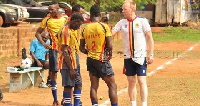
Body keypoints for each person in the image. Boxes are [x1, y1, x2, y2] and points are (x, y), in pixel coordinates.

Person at [112, 0, 154, 106]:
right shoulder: (122, 22)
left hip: (140, 56)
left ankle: (144, 104)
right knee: (131, 82)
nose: (123, 11)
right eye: (122, 9)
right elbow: (111, 32)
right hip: (128, 57)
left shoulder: (142, 21)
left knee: (141, 81)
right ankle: (133, 104)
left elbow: (150, 38)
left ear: (132, 9)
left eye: (124, 9)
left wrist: (151, 54)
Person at [80, 4, 118, 106]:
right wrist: (109, 54)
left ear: (91, 14)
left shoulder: (85, 28)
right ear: (99, 14)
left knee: (94, 86)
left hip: (90, 60)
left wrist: (89, 52)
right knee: (112, 85)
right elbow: (109, 45)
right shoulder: (104, 26)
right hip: (101, 58)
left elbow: (81, 48)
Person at [35, 2, 68, 106]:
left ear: (58, 9)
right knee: (53, 74)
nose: (50, 11)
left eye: (52, 10)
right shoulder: (47, 20)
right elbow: (37, 33)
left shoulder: (65, 19)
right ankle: (55, 99)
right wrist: (44, 44)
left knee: (66, 74)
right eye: (49, 10)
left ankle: (65, 98)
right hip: (53, 50)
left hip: (65, 50)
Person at [57, 13, 84, 106]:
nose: (79, 27)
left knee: (78, 84)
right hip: (67, 63)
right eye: (79, 25)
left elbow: (57, 36)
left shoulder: (68, 29)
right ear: (75, 21)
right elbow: (65, 51)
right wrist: (71, 69)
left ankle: (76, 104)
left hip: (74, 60)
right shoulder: (65, 31)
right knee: (68, 86)